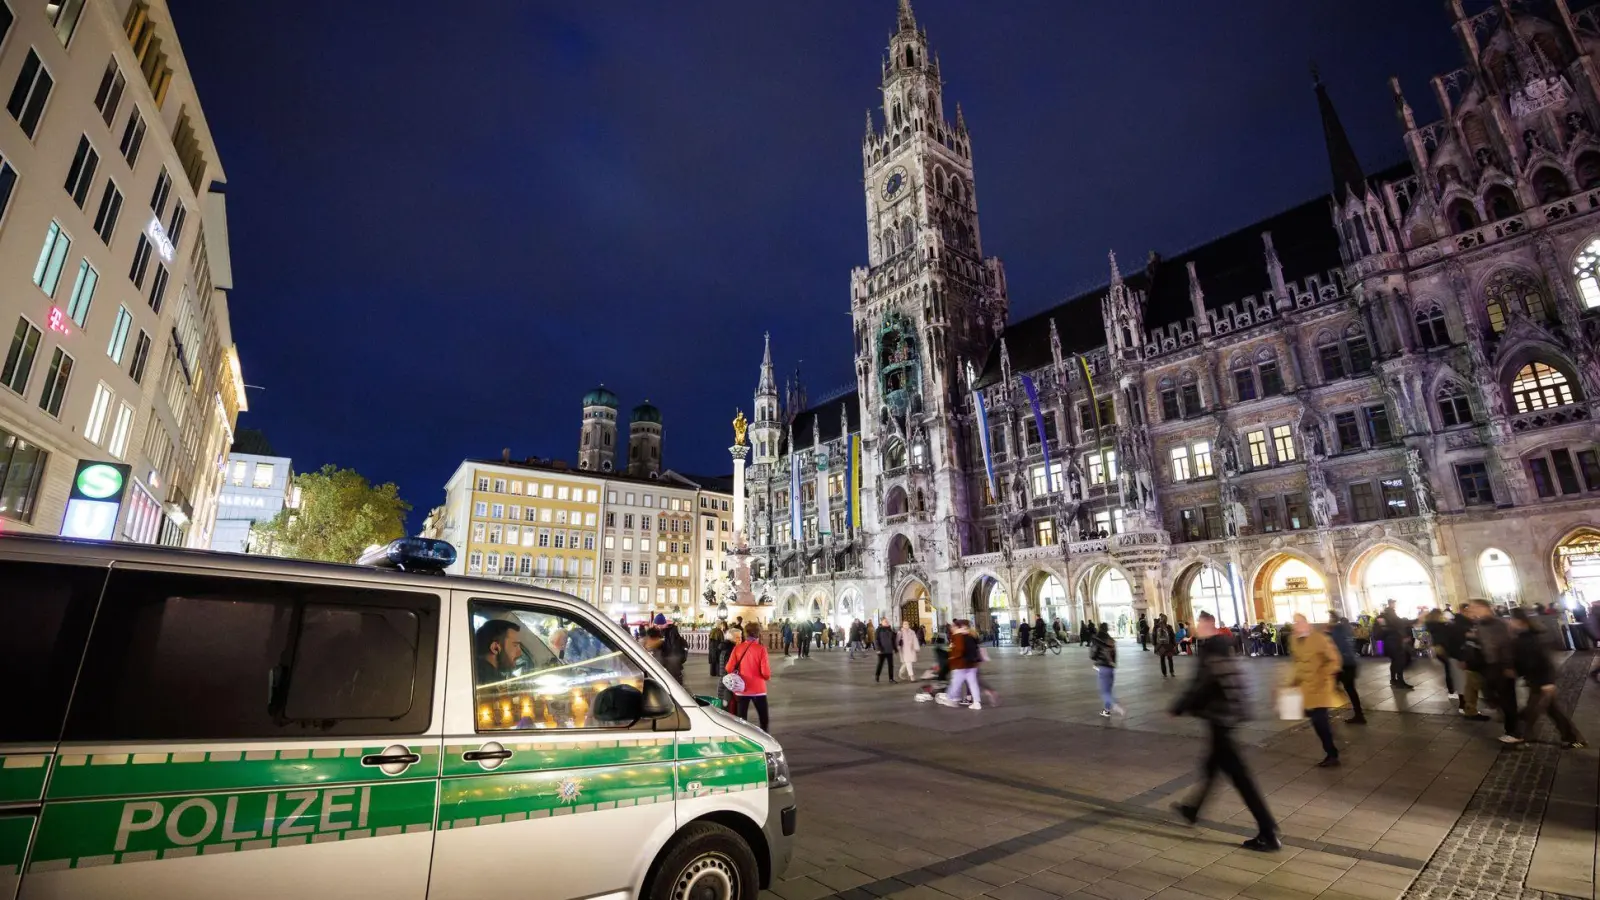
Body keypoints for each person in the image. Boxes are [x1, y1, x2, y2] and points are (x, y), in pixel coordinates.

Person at [1171, 612, 1280, 852]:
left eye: (1199, 623)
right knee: (1211, 767)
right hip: (1225, 719)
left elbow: (1201, 687)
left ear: (1208, 625)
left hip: (1221, 720)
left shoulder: (1211, 652)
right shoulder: (1225, 649)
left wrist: (1178, 707)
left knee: (1240, 778)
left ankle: (1268, 831)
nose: (1196, 627)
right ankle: (1192, 809)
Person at [1507, 607, 1585, 747]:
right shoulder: (1522, 637)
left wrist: (1548, 682)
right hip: (1535, 680)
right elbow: (1523, 660)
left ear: (1520, 621)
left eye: (1512, 620)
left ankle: (1520, 735)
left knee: (1532, 710)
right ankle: (1572, 737)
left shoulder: (1532, 638)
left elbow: (1544, 661)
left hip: (1541, 681)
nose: (1510, 623)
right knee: (1552, 710)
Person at [1286, 614, 1343, 767]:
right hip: (1304, 687)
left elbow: (1334, 660)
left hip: (1320, 687)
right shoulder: (1293, 640)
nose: (1296, 626)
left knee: (1319, 720)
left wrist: (1323, 675)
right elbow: (1297, 662)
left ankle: (1332, 754)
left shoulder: (1320, 638)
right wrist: (1292, 682)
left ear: (1306, 624)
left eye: (1299, 622)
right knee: (1314, 719)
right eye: (1295, 623)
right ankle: (1330, 741)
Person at [725, 622, 772, 731]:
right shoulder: (761, 649)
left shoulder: (737, 648)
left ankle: (743, 738)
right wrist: (767, 677)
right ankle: (765, 738)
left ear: (745, 633)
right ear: (757, 633)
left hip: (742, 689)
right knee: (763, 717)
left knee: (742, 719)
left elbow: (728, 668)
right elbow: (765, 673)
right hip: (758, 689)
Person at [1329, 616, 1366, 724]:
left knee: (1331, 687)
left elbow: (1336, 648)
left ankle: (1323, 713)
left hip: (1342, 664)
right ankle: (1359, 715)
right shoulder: (1349, 630)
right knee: (1350, 689)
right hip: (1351, 663)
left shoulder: (1337, 630)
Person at [939, 620, 983, 710]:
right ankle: (976, 702)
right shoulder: (972, 635)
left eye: (954, 626)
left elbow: (958, 650)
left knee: (955, 683)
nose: (952, 628)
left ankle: (950, 699)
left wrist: (952, 657)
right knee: (973, 683)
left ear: (959, 627)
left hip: (961, 664)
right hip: (972, 664)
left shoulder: (958, 636)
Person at [1377, 602, 1414, 689]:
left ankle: (1393, 679)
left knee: (1394, 661)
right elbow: (1401, 623)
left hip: (1387, 644)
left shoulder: (1381, 617)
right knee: (1400, 661)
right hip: (1394, 643)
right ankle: (1400, 681)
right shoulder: (1391, 617)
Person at [474, 619, 522, 686]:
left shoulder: (473, 673)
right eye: (515, 645)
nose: (520, 653)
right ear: (495, 648)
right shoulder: (494, 684)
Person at [1091, 623, 1124, 717]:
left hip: (1102, 667)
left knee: (1104, 692)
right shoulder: (1111, 640)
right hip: (1111, 668)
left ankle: (1115, 705)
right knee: (1108, 690)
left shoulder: (1096, 639)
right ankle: (1106, 710)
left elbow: (1092, 655)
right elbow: (1114, 655)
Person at [1424, 608, 1457, 699]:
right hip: (1443, 648)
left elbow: (1425, 638)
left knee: (1448, 668)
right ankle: (1451, 691)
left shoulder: (1429, 625)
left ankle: (1452, 690)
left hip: (1437, 648)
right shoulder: (1441, 625)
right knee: (1449, 669)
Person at [874, 617, 898, 683]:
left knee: (891, 665)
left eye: (887, 621)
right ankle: (877, 675)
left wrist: (895, 648)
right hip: (882, 650)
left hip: (889, 650)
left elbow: (893, 640)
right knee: (880, 664)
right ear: (882, 622)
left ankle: (891, 679)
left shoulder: (890, 630)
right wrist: (878, 648)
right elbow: (876, 640)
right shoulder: (879, 630)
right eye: (885, 621)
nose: (887, 622)